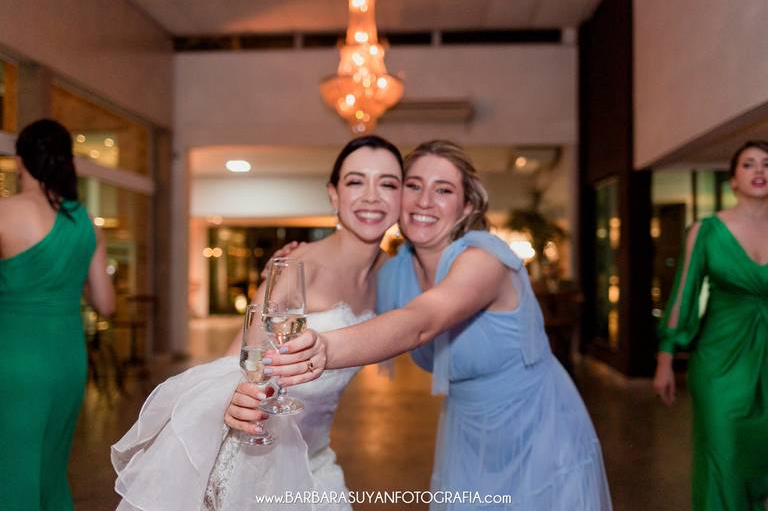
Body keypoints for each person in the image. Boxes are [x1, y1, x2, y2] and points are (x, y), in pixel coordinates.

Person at [263, 140, 612, 510]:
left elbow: (420, 322)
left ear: (467, 206)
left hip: (537, 427)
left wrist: (324, 348)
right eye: (414, 186)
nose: (425, 201)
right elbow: (346, 277)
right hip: (466, 434)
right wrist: (294, 264)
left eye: (443, 190)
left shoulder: (484, 261)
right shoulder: (392, 273)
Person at [112, 135, 404, 510]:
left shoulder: (393, 274)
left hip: (316, 457)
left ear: (402, 197)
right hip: (257, 459)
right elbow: (235, 362)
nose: (371, 196)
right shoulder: (297, 268)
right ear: (333, 194)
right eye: (355, 181)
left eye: (387, 183)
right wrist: (235, 397)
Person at [0, 119, 115, 511]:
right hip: (66, 358)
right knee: (50, 468)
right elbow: (106, 304)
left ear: (20, 160)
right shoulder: (85, 223)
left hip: (13, 356)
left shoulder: (5, 211)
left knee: (10, 467)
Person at [653, 140, 768, 510]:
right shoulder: (705, 231)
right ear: (733, 180)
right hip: (720, 362)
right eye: (748, 164)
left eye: (767, 163)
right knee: (723, 454)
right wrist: (666, 357)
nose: (760, 170)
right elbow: (683, 295)